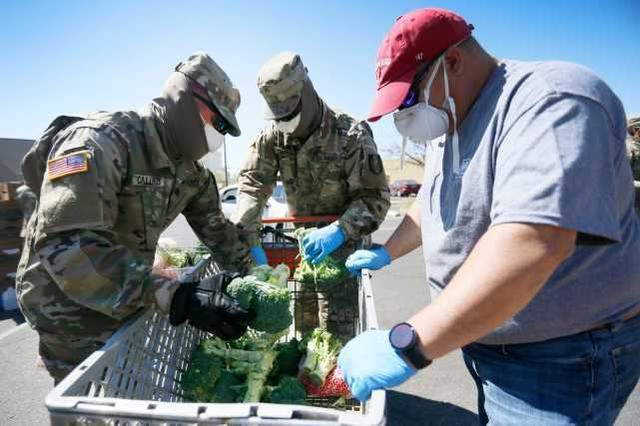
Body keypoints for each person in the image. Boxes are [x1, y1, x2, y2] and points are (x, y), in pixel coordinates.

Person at [339, 8, 640, 425]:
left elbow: (534, 240)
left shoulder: (550, 100)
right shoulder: (451, 121)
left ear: (453, 62)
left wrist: (408, 343)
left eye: (408, 99)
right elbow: (430, 201)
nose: (402, 117)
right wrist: (386, 252)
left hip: (560, 361)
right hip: (487, 344)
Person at [16, 52, 254, 383]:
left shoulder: (189, 172)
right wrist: (177, 296)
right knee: (86, 407)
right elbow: (69, 250)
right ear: (185, 100)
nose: (217, 134)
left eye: (224, 128)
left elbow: (218, 232)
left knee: (128, 389)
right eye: (216, 121)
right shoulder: (101, 141)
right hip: (67, 308)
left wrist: (255, 275)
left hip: (129, 295)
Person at [232, 52, 390, 340]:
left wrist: (339, 231)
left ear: (307, 93)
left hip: (343, 256)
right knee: (303, 334)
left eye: (290, 114)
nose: (285, 123)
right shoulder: (273, 136)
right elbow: (251, 185)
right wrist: (250, 239)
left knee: (337, 338)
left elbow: (375, 198)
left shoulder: (350, 134)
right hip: (303, 251)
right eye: (278, 116)